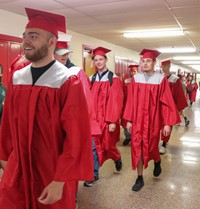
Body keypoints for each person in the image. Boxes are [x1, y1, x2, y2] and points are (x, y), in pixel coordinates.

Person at [0, 8, 94, 209]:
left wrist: (61, 180)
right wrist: (4, 157)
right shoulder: (18, 78)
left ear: (52, 42)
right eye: (25, 36)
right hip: (19, 167)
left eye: (34, 36)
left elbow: (76, 136)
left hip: (52, 170)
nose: (26, 41)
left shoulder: (67, 81)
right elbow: (7, 122)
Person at [124, 49, 180, 192]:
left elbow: (166, 103)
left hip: (153, 121)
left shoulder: (160, 80)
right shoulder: (136, 79)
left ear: (154, 63)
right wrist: (129, 120)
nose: (145, 64)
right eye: (143, 61)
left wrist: (167, 123)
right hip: (137, 120)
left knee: (151, 147)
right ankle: (140, 177)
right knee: (137, 147)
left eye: (148, 61)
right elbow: (130, 100)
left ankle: (157, 160)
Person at [54, 34, 102, 188]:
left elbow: (85, 101)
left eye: (66, 53)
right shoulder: (48, 73)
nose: (64, 57)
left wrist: (86, 124)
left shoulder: (76, 72)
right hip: (53, 125)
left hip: (71, 121)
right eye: (61, 54)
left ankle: (72, 196)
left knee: (73, 154)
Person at [89, 46, 124, 175]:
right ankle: (94, 174)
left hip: (107, 120)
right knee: (94, 146)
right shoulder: (91, 79)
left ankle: (116, 157)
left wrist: (113, 121)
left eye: (101, 59)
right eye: (96, 59)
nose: (98, 62)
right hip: (93, 120)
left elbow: (116, 101)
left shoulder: (113, 79)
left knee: (107, 145)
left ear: (106, 60)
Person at [159, 60, 189, 154]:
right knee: (158, 125)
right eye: (162, 66)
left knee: (167, 125)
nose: (163, 67)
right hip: (159, 106)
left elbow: (179, 95)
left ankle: (164, 143)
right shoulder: (159, 78)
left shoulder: (175, 79)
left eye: (165, 65)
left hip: (170, 107)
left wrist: (179, 109)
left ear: (169, 66)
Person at [122, 64, 139, 146]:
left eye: (135, 71)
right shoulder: (126, 81)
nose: (133, 73)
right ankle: (128, 137)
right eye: (132, 72)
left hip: (137, 105)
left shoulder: (140, 81)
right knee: (126, 120)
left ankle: (136, 137)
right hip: (127, 104)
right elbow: (122, 93)